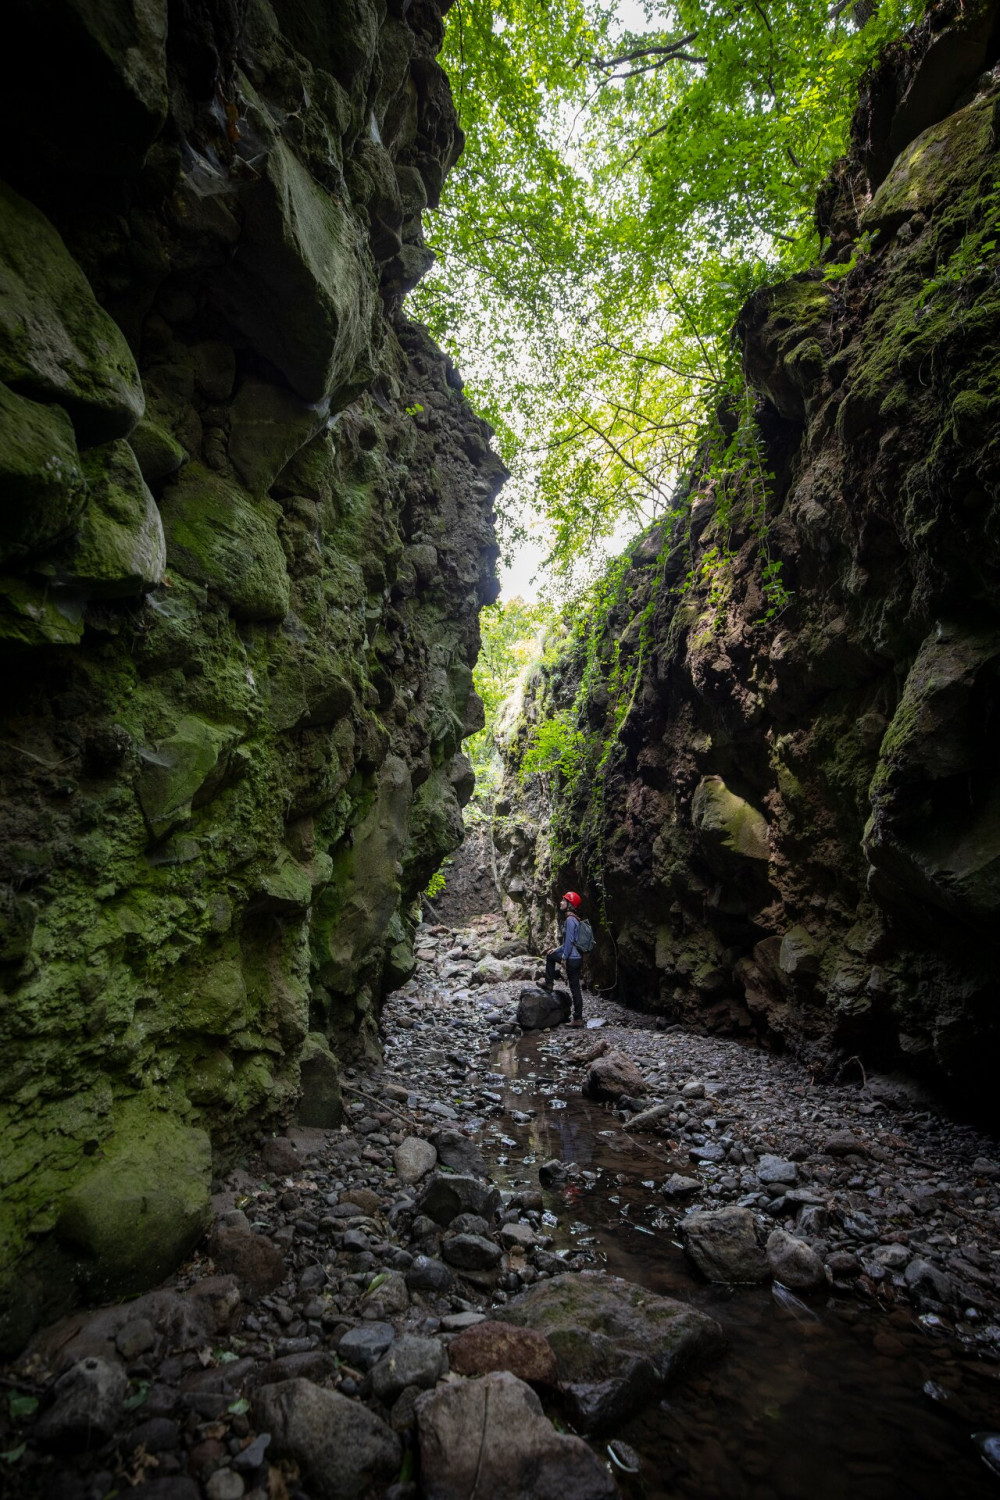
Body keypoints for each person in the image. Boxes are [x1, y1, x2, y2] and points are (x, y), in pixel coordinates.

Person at [542, 890, 585, 1027]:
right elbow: (568, 942)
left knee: (574, 988)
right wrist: (557, 950)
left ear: (569, 904)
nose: (561, 902)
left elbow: (569, 942)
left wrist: (564, 958)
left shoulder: (570, 920)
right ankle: (578, 1018)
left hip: (571, 958)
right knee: (575, 987)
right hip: (576, 958)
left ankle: (549, 984)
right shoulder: (574, 919)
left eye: (564, 901)